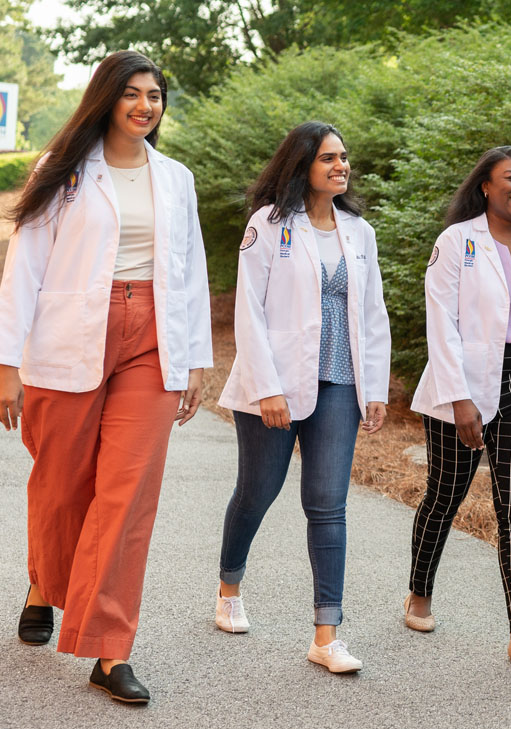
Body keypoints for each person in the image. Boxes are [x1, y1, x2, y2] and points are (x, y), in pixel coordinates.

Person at [0, 50, 211, 703]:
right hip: (68, 338)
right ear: (106, 99)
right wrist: (5, 363)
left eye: (155, 95)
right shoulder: (63, 171)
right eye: (132, 93)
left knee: (127, 493)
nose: (145, 105)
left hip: (153, 342)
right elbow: (23, 267)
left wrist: (194, 360)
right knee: (60, 484)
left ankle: (109, 650)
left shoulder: (175, 178)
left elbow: (190, 273)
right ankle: (43, 584)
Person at [214, 122, 391, 674]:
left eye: (344, 158)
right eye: (329, 159)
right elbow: (251, 309)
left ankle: (326, 635)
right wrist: (266, 387)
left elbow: (373, 313)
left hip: (340, 382)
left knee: (328, 506)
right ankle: (228, 590)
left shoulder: (358, 231)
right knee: (257, 492)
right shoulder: (268, 225)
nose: (341, 166)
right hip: (277, 386)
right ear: (302, 166)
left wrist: (377, 389)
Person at [407, 146, 511, 665]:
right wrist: (461, 399)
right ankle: (419, 591)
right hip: (467, 382)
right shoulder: (457, 241)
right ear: (486, 186)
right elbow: (441, 322)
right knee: (445, 495)